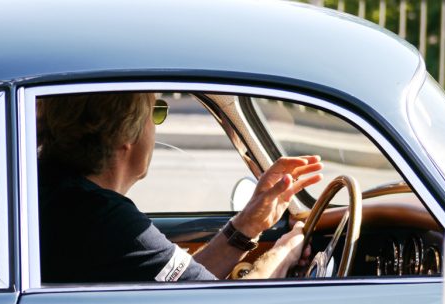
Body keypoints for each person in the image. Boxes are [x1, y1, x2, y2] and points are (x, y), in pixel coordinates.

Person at [37, 93, 323, 283]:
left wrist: (248, 225)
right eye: (156, 111)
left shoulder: (62, 196)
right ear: (126, 131)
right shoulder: (106, 221)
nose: (155, 125)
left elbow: (181, 283)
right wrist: (283, 254)